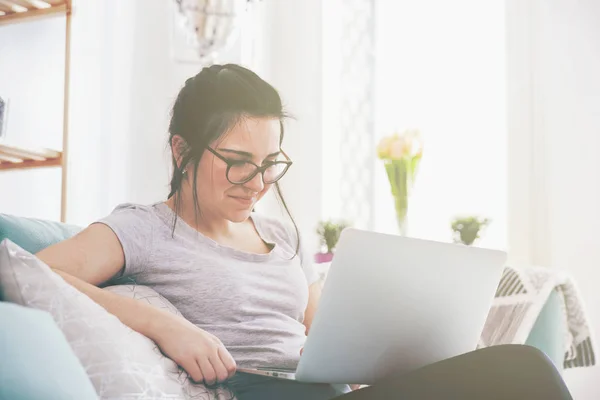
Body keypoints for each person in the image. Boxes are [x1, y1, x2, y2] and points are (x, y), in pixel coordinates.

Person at [36, 64, 572, 400]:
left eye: (271, 162)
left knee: (507, 373)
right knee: (521, 371)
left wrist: (389, 355)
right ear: (182, 151)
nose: (259, 182)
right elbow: (29, 271)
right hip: (257, 392)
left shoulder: (283, 238)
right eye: (238, 161)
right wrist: (161, 325)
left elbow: (325, 331)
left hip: (329, 390)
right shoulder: (144, 228)